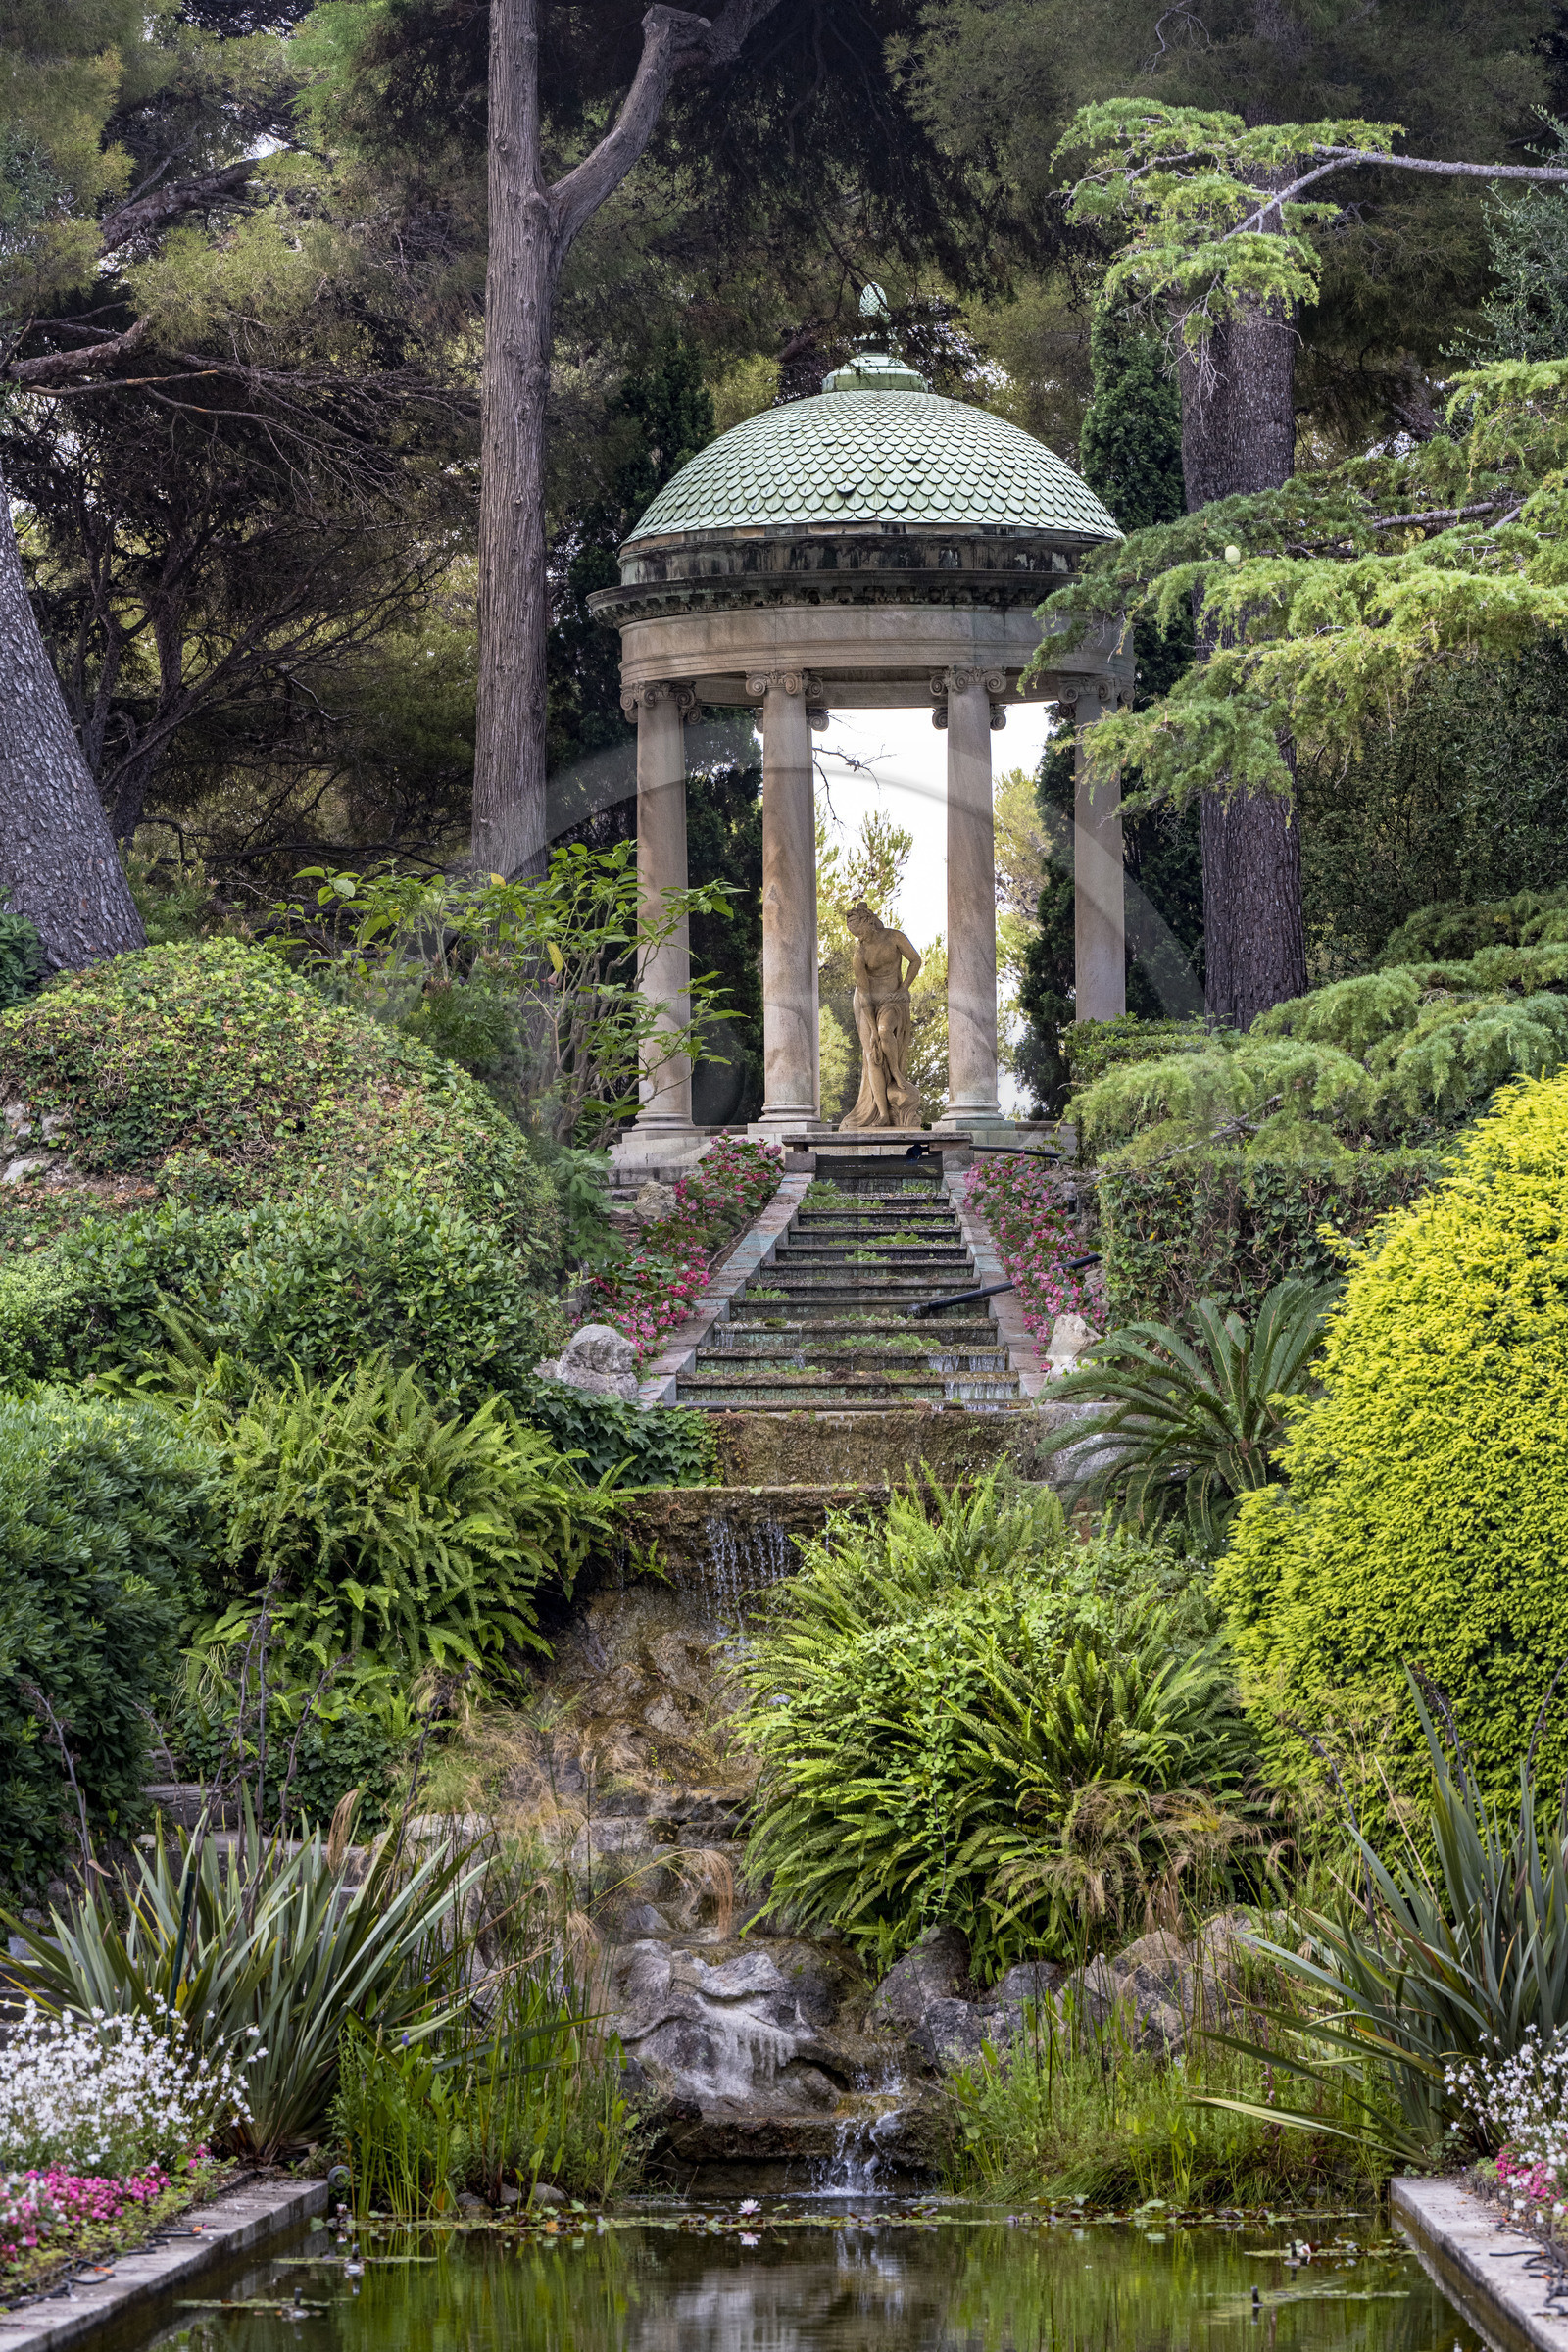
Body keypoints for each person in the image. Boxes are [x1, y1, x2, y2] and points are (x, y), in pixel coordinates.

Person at [840, 900, 924, 1129]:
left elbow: (915, 960)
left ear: (868, 922)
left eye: (859, 932)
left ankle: (896, 1073)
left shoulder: (894, 937)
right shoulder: (860, 954)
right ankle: (883, 1115)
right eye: (854, 934)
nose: (858, 938)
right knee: (872, 1054)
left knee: (886, 1031)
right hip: (867, 1004)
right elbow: (865, 993)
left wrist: (903, 988)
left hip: (893, 998)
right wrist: (872, 1032)